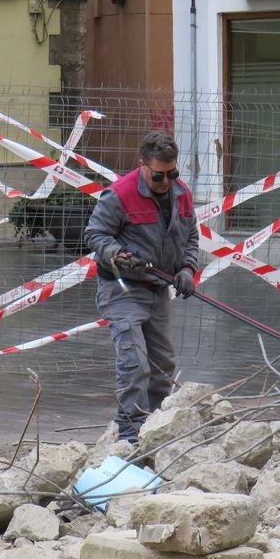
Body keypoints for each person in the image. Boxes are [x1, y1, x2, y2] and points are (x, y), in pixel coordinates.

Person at [84, 130, 199, 442]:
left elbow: (190, 236)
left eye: (172, 173)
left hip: (158, 291)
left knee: (162, 365)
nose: (166, 182)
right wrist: (117, 255)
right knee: (134, 363)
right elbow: (94, 235)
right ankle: (130, 435)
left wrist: (187, 269)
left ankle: (157, 429)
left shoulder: (181, 193)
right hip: (122, 290)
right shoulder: (119, 195)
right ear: (142, 165)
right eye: (159, 176)